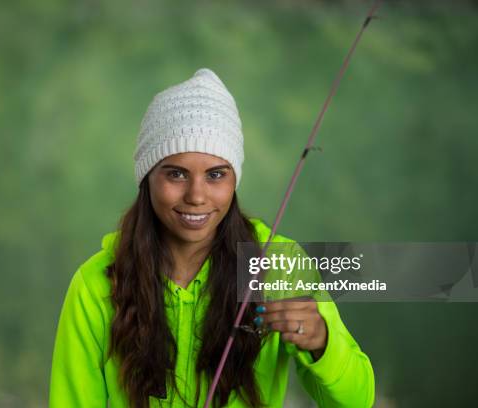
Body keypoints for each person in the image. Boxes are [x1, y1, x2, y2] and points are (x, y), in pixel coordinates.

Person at [49, 68, 374, 407]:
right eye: (176, 173)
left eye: (216, 174)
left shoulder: (280, 265)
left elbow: (358, 401)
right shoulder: (94, 285)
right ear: (147, 177)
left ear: (235, 180)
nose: (197, 196)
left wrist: (322, 344)